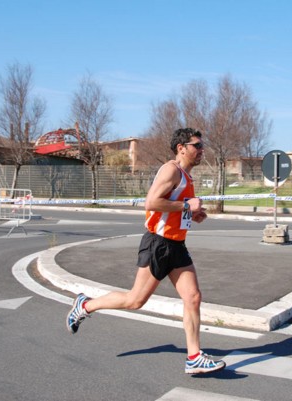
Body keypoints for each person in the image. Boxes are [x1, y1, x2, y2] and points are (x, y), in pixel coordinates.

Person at [66, 128, 226, 375]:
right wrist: (186, 204)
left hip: (177, 245)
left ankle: (194, 357)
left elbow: (171, 208)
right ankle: (85, 305)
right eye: (197, 145)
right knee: (135, 300)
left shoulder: (187, 176)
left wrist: (192, 214)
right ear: (181, 148)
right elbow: (151, 202)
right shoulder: (170, 170)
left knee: (193, 297)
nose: (201, 150)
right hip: (158, 244)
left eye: (202, 145)